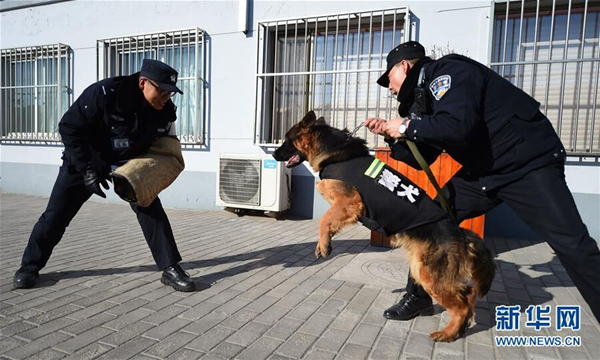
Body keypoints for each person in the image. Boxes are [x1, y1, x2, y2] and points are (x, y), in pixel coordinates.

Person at [365, 41, 600, 323]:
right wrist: (392, 136)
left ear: (404, 66)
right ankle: (418, 296)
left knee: (572, 244)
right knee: (430, 219)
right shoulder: (421, 100)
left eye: (388, 78)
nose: (389, 87)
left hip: (527, 163)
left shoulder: (448, 72)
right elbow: (422, 158)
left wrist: (404, 126)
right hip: (484, 172)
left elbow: (458, 126)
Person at [13, 59, 196, 292]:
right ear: (142, 83)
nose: (165, 97)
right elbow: (69, 128)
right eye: (161, 90)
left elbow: (163, 146)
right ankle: (29, 267)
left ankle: (170, 268)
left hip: (128, 164)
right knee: (55, 216)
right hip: (86, 159)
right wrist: (87, 168)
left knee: (151, 209)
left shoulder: (165, 111)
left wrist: (150, 173)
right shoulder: (105, 93)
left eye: (170, 93)